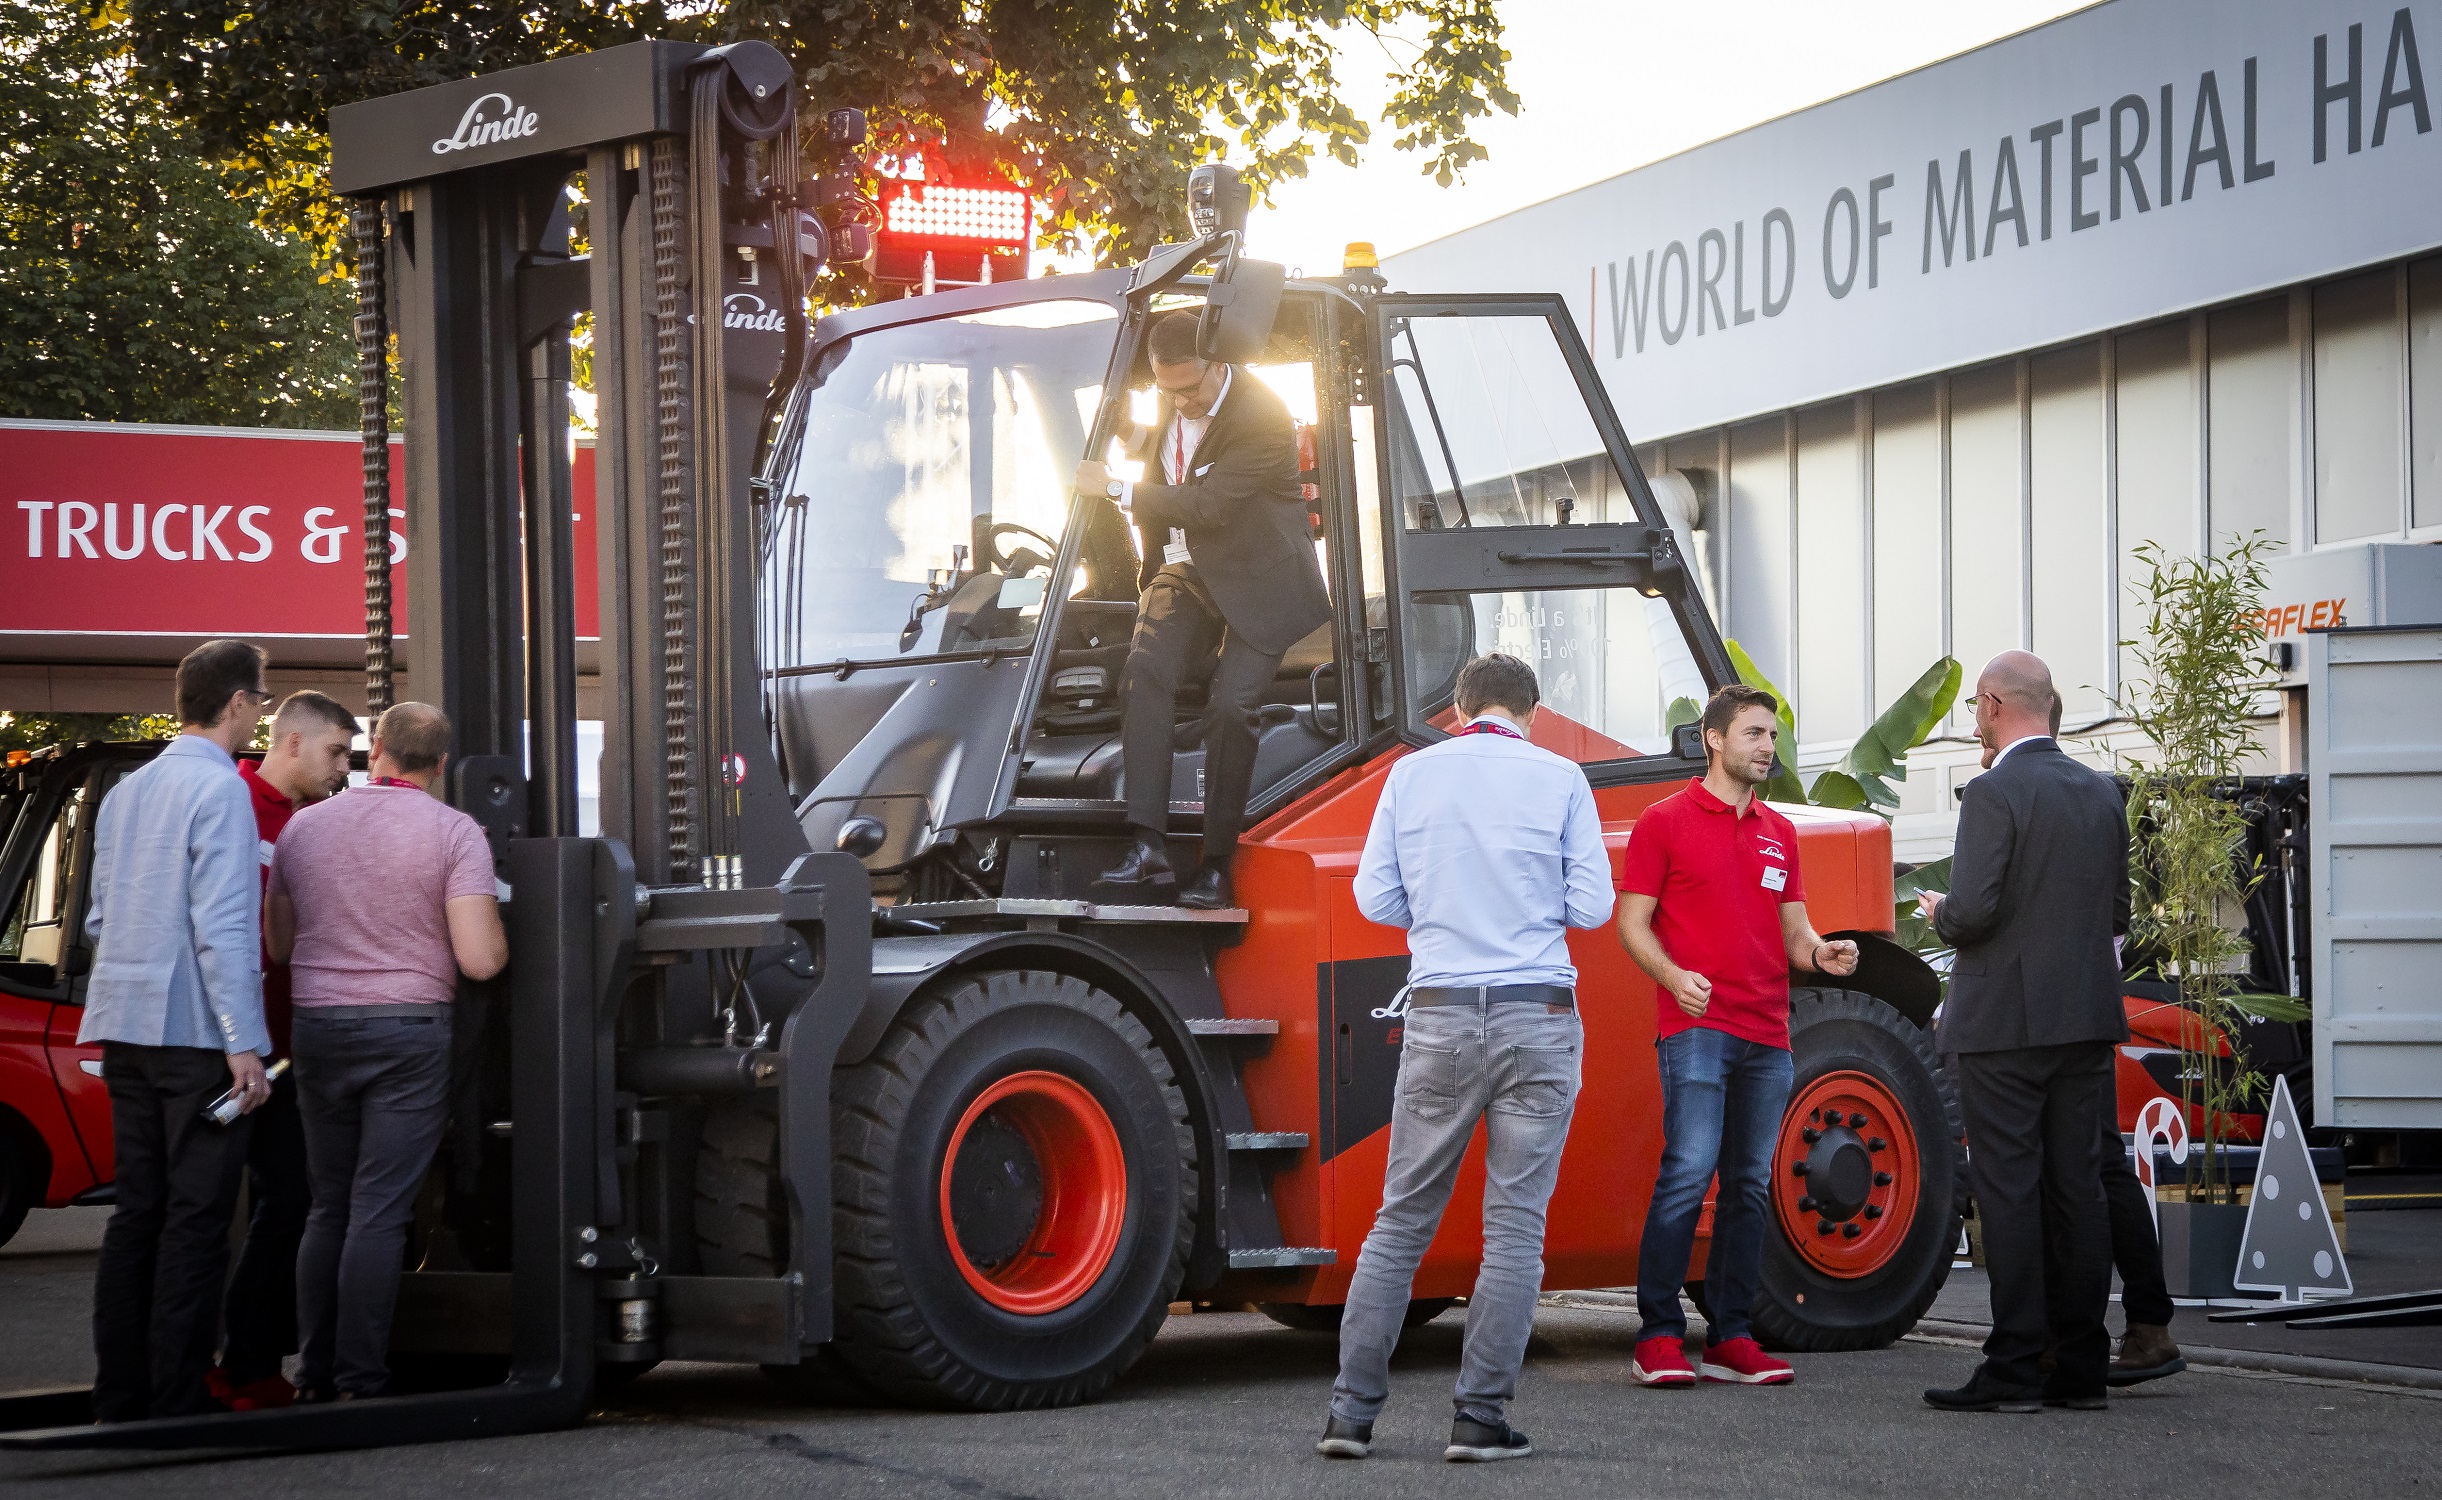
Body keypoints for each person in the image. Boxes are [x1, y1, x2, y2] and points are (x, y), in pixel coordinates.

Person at [1318, 654, 1613, 1464]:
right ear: (1534, 710)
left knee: (1401, 1218)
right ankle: (1479, 1420)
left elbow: (1373, 897)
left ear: (1458, 706)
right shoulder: (1561, 778)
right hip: (1538, 1011)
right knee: (1515, 1226)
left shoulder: (1413, 778)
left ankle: (1350, 1416)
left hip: (1443, 1013)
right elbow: (1592, 904)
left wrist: (1444, 910)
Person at [1614, 683, 1859, 1389]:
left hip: (1767, 1033)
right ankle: (1658, 1336)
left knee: (1750, 1186)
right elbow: (1632, 924)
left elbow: (1796, 934)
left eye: (1772, 737)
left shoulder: (1780, 833)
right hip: (1695, 1025)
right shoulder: (1663, 822)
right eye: (1754, 733)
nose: (1767, 747)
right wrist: (1672, 975)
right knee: (1688, 1175)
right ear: (1713, 739)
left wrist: (1822, 954)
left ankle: (1730, 1337)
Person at [270, 702, 505, 1401]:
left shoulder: (302, 828)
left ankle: (312, 1373)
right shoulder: (455, 832)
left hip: (318, 1027)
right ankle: (361, 1378)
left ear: (375, 755)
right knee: (379, 1211)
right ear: (440, 765)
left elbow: (279, 947)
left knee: (328, 1207)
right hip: (407, 1031)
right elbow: (480, 959)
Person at [1917, 651, 2130, 1413]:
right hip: (2084, 1021)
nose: (1974, 721)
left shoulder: (1994, 792)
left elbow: (1974, 912)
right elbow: (2116, 918)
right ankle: (2080, 1368)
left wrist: (1938, 911)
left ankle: (2011, 1365)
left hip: (2004, 1026)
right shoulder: (2103, 793)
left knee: (2009, 1192)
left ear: (1994, 703)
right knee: (2079, 1190)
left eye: (1976, 708)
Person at [1071, 308, 1330, 910]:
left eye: (1191, 388)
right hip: (1187, 569)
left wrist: (1112, 486)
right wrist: (1127, 435)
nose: (1182, 400)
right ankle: (1147, 849)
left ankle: (1217, 863)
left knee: (1231, 708)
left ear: (1219, 364)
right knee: (1146, 676)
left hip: (1260, 580)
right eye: (1170, 390)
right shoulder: (1177, 396)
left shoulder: (1264, 417)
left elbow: (1207, 504)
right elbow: (1171, 450)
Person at [80, 639, 276, 1422]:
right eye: (259, 701)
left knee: (137, 1212)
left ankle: (118, 1393)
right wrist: (245, 1042)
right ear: (236, 703)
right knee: (196, 1219)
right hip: (196, 1036)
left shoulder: (129, 790)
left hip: (122, 1027)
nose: (258, 713)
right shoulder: (222, 790)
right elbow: (223, 925)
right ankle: (178, 1393)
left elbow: (98, 915)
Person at [210, 690, 358, 1410]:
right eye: (335, 752)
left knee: (291, 1199)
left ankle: (248, 1362)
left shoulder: (307, 823)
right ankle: (216, 1367)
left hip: (283, 1053)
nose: (343, 769)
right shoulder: (234, 806)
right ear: (292, 742)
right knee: (206, 1210)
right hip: (228, 1049)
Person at [2036, 692, 2183, 1389]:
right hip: (2094, 1005)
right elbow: (2120, 912)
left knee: (2085, 1171)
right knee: (2104, 1164)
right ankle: (2145, 1323)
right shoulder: (2100, 797)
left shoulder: (2019, 798)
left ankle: (2084, 1338)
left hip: (2047, 1017)